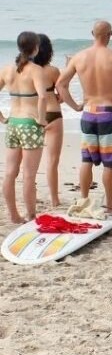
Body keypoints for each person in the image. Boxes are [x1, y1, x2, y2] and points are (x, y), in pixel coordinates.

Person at [57, 20, 112, 213]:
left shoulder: (79, 57)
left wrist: (75, 105)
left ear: (92, 33)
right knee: (109, 164)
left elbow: (61, 84)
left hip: (88, 113)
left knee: (86, 160)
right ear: (110, 34)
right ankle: (109, 204)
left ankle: (84, 200)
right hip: (109, 114)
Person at [0, 32, 51, 223]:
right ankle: (30, 215)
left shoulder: (6, 70)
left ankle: (13, 215)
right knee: (29, 175)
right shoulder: (36, 69)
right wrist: (41, 119)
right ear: (35, 48)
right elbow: (43, 96)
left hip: (13, 123)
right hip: (30, 124)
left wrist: (2, 118)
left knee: (10, 172)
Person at [34, 34, 65, 208]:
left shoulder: (26, 71)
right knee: (52, 161)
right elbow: (61, 97)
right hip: (53, 115)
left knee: (30, 163)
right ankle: (54, 199)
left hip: (33, 117)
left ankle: (33, 195)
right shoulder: (53, 71)